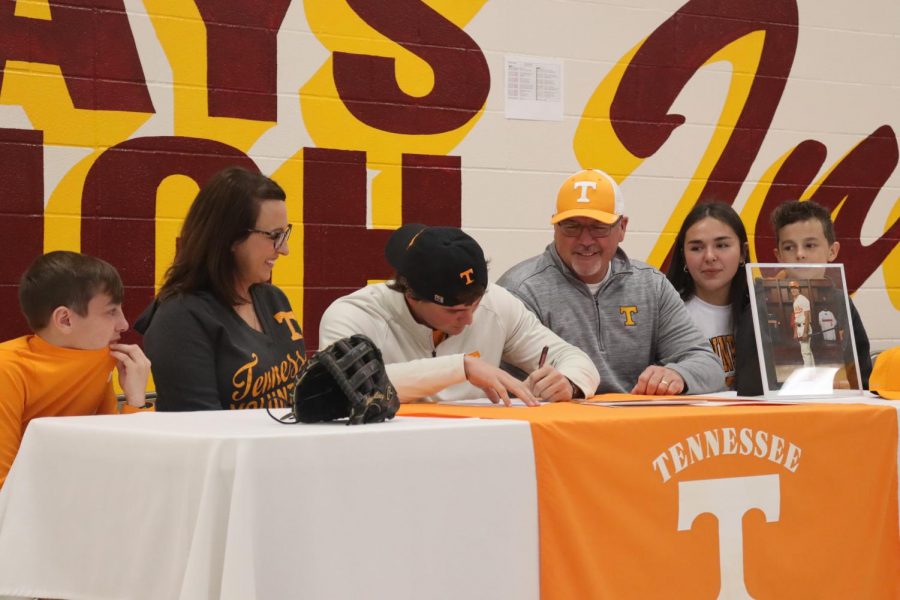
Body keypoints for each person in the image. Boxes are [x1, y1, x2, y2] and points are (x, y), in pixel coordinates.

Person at [498, 169, 725, 396]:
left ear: (622, 228)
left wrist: (678, 375)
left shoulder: (651, 286)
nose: (585, 240)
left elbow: (709, 365)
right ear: (555, 228)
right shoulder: (520, 290)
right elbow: (500, 385)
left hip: (636, 426)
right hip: (556, 427)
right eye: (571, 226)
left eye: (598, 227)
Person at [319, 224, 600, 404]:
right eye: (454, 310)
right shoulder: (353, 315)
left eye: (475, 304)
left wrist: (568, 382)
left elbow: (575, 359)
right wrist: (461, 368)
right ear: (411, 293)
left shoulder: (497, 303)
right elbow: (348, 386)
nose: (469, 320)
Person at [135, 167, 305, 411]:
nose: (284, 249)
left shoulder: (273, 298)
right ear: (231, 237)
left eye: (285, 233)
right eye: (274, 235)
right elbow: (201, 431)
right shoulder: (180, 317)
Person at [0, 251, 152, 489]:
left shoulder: (101, 359)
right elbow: (4, 485)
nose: (123, 324)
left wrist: (136, 399)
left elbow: (120, 457)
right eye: (111, 311)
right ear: (65, 320)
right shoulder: (7, 368)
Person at [734, 200, 872, 394]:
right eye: (789, 248)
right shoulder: (759, 304)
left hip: (835, 409)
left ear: (832, 251)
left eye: (810, 245)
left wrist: (851, 386)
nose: (800, 254)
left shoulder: (842, 301)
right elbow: (749, 381)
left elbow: (862, 374)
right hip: (778, 412)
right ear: (779, 255)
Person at [666, 203, 749, 389]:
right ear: (683, 256)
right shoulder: (668, 313)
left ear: (743, 252)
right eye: (696, 248)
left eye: (722, 245)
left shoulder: (762, 309)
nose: (710, 256)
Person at [789, 282, 815, 367]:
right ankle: (813, 371)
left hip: (805, 327)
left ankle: (807, 375)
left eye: (795, 288)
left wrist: (805, 332)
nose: (793, 290)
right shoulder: (795, 301)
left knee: (805, 352)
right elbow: (797, 318)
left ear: (798, 289)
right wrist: (796, 332)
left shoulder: (803, 300)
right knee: (807, 351)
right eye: (791, 288)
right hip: (800, 327)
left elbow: (807, 318)